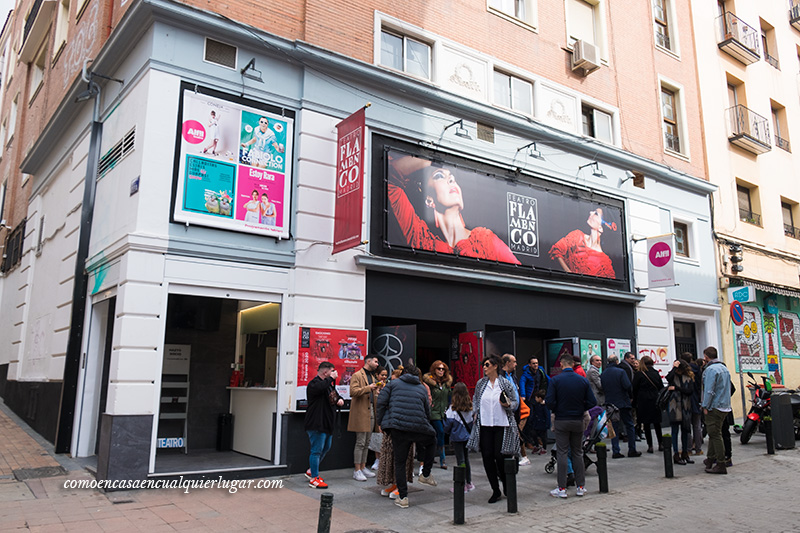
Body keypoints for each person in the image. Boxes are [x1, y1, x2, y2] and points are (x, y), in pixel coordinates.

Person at [387, 154, 521, 264]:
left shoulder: (486, 241)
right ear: (429, 199)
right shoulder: (420, 239)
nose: (451, 180)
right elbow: (390, 173)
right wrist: (435, 157)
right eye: (439, 176)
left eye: (452, 177)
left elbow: (519, 275)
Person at [376, 364, 438, 509]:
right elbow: (426, 410)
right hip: (417, 427)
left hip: (398, 428)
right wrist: (425, 423)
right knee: (432, 440)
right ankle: (426, 474)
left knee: (400, 462)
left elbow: (381, 403)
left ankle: (403, 497)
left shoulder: (393, 384)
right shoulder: (422, 388)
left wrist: (383, 422)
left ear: (403, 373)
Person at [466, 355, 519, 504]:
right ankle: (495, 490)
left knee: (500, 456)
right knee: (487, 457)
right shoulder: (481, 383)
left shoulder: (505, 383)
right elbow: (476, 399)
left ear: (495, 366)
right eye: (483, 365)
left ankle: (506, 485)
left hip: (502, 424)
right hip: (485, 425)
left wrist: (509, 405)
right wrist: (475, 412)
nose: (484, 367)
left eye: (487, 364)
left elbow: (515, 402)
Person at [545, 353, 596, 498]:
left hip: (562, 419)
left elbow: (549, 401)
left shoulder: (556, 381)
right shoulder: (582, 380)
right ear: (573, 364)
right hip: (578, 419)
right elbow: (592, 402)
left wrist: (557, 408)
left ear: (561, 364)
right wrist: (580, 407)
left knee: (562, 452)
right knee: (577, 452)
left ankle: (562, 488)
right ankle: (581, 486)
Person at [304, 362, 344, 489]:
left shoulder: (328, 386)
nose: (335, 373)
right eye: (332, 371)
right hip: (316, 423)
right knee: (316, 450)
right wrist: (331, 379)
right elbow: (320, 388)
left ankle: (312, 470)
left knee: (326, 447)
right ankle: (314, 478)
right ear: (326, 372)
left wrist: (339, 399)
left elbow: (334, 395)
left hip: (327, 423)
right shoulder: (314, 384)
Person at [548, 207, 616, 279]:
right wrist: (568, 273)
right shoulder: (577, 236)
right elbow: (556, 250)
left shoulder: (605, 264)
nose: (590, 212)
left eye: (596, 213)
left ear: (601, 228)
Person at [601, 355, 640, 458]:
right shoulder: (620, 372)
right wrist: (631, 397)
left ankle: (616, 450)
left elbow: (602, 387)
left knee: (614, 427)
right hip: (623, 402)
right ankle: (632, 449)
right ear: (617, 361)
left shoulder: (603, 373)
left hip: (610, 403)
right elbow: (627, 386)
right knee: (629, 425)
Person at [701, 346, 732, 474]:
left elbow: (709, 390)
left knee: (715, 434)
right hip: (724, 405)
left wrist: (705, 406)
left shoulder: (711, 370)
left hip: (714, 406)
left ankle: (720, 463)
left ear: (706, 357)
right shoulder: (724, 368)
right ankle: (710, 459)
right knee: (715, 432)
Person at [349, 354, 380, 481]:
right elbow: (353, 391)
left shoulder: (372, 376)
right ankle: (357, 470)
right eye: (376, 361)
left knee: (367, 442)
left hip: (371, 410)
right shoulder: (357, 375)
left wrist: (377, 390)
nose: (377, 364)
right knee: (361, 442)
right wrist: (369, 388)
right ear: (368, 361)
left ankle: (362, 467)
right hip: (361, 411)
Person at [443, 382, 475, 492]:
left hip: (457, 437)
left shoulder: (452, 409)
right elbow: (471, 423)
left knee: (460, 460)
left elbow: (447, 426)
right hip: (467, 437)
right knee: (466, 459)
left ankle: (461, 484)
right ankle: (469, 482)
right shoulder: (470, 407)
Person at [500, 354, 529, 466]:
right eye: (514, 361)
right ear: (508, 363)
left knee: (516, 434)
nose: (516, 364)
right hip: (507, 413)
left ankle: (517, 457)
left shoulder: (513, 376)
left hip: (516, 412)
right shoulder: (500, 377)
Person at [422, 360, 453, 469]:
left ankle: (434, 456)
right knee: (439, 432)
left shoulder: (446, 383)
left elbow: (449, 396)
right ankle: (442, 459)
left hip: (443, 412)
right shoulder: (430, 383)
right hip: (433, 412)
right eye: (438, 368)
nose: (441, 371)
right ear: (434, 370)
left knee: (437, 434)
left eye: (443, 369)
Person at [632, 356, 664, 453]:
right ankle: (661, 443)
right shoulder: (656, 373)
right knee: (657, 424)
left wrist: (634, 402)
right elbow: (661, 387)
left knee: (646, 425)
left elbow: (634, 388)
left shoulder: (639, 374)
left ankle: (650, 445)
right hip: (655, 400)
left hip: (643, 401)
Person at [666, 360, 695, 465]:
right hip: (675, 407)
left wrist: (677, 388)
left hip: (686, 407)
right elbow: (668, 378)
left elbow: (690, 391)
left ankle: (685, 453)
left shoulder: (688, 378)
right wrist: (673, 368)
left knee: (685, 430)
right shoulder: (673, 377)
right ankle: (676, 454)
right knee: (674, 431)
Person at [682, 352, 704, 455]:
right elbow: (700, 386)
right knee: (697, 425)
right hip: (696, 399)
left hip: (686, 400)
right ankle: (698, 448)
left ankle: (688, 449)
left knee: (687, 426)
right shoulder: (698, 370)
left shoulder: (683, 370)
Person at [370, 367, 389, 471]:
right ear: (377, 375)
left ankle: (384, 460)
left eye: (386, 375)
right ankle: (377, 459)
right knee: (376, 438)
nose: (384, 377)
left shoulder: (388, 386)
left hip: (386, 415)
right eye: (382, 375)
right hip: (377, 414)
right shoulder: (374, 386)